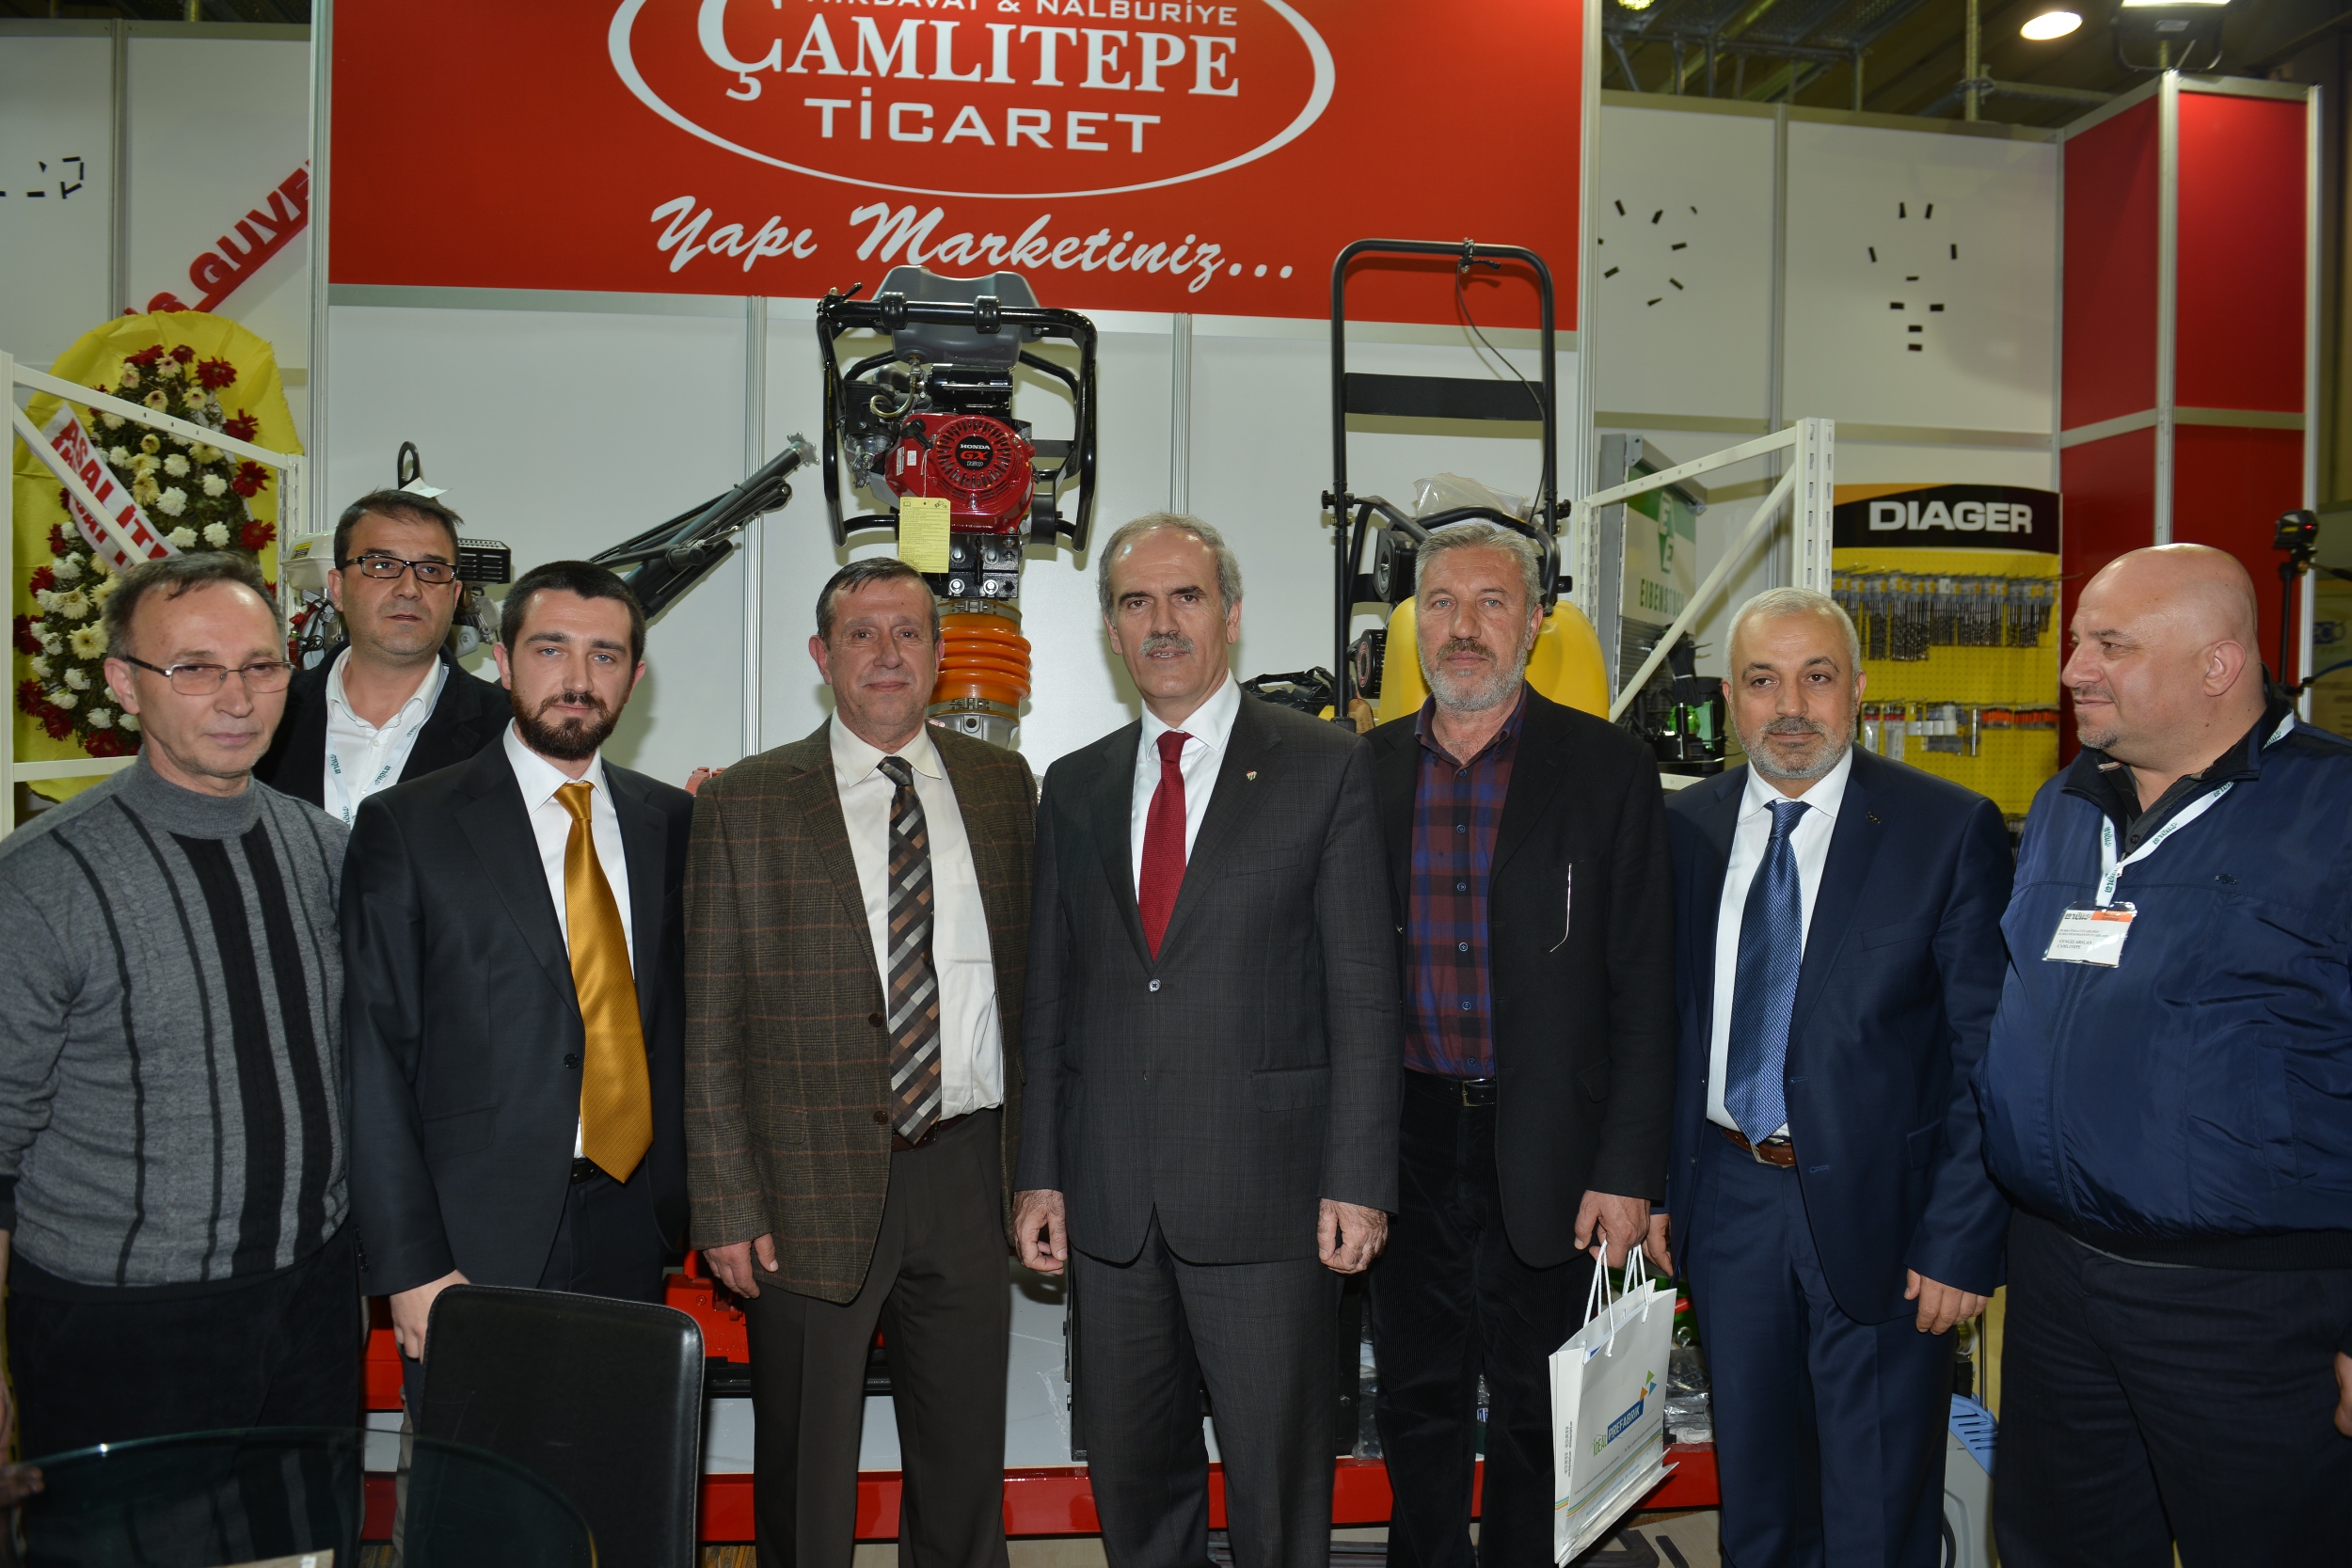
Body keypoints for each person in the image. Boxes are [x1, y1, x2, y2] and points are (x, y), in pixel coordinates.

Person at [1016, 514, 1402, 1568]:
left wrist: (1359, 1180)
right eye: (1135, 602)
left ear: (1230, 614)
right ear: (1110, 631)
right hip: (1111, 1206)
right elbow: (1049, 999)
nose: (1162, 621)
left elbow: (1364, 995)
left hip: (1271, 1202)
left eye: (1185, 596)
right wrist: (1039, 1171)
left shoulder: (1324, 765)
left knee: (1278, 1495)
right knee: (1136, 1487)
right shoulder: (1075, 783)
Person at [1979, 544, 2352, 1566]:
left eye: (2113, 645)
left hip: (2250, 1306)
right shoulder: (2068, 803)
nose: (2074, 669)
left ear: (2218, 664)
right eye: (2078, 641)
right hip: (2056, 1279)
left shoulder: (2332, 809)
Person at [684, 558, 1037, 1568]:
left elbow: (1036, 990)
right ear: (820, 655)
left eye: (908, 632)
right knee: (806, 1469)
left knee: (963, 1464)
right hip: (801, 1184)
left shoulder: (1005, 788)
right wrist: (726, 1203)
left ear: (939, 654)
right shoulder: (747, 800)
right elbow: (710, 1019)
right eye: (861, 634)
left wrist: (1038, 1170)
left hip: (969, 1170)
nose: (887, 653)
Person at [1651, 587, 2011, 1568]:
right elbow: (1663, 1023)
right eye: (1762, 681)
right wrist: (1659, 1185)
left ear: (1857, 689)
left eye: (1816, 677)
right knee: (1757, 1503)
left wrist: (1961, 1240)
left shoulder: (1945, 828)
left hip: (1888, 1217)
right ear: (1731, 698)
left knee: (1875, 1510)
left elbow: (1986, 1056)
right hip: (1727, 1201)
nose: (1791, 707)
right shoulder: (1684, 828)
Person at [1362, 521, 1677, 1568]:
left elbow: (1647, 988)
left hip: (1551, 1139)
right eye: (1441, 603)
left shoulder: (1608, 768)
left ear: (1535, 622)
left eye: (1492, 602)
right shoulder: (1361, 772)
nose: (1465, 627)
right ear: (1413, 625)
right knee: (1415, 1400)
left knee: (1542, 1408)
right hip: (1404, 1138)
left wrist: (1628, 1169)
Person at [0, 552, 356, 1457]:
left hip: (312, 1299)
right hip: (119, 1325)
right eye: (195, 668)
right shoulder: (40, 882)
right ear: (125, 683)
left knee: (313, 1528)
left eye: (261, 666)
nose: (237, 699)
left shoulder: (325, 850)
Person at [343, 560, 693, 1409]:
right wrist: (411, 1266)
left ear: (635, 677)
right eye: (550, 648)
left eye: (605, 656)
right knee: (481, 1482)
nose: (577, 678)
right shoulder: (408, 826)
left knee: (621, 1476)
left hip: (632, 1224)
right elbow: (370, 1057)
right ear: (502, 661)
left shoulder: (674, 825)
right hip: (470, 1244)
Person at [256, 490, 508, 818]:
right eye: (383, 565)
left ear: (455, 594)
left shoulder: (510, 732)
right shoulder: (263, 710)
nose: (409, 589)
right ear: (337, 589)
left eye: (431, 570)